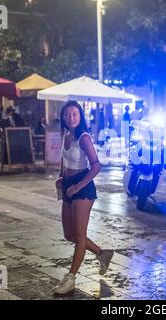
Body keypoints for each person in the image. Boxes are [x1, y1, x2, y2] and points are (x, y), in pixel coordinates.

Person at [53, 101, 114, 295]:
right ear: (63, 117)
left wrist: (79, 185)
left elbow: (96, 165)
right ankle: (102, 254)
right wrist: (62, 177)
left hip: (83, 186)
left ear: (80, 116)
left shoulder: (84, 137)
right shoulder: (66, 136)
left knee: (79, 234)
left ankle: (70, 278)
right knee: (69, 234)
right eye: (68, 114)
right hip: (69, 184)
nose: (71, 117)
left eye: (75, 114)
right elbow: (65, 160)